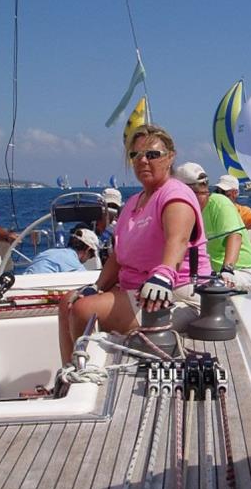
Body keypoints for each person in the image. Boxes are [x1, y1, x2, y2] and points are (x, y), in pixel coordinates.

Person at [57, 124, 212, 363]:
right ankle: (70, 372)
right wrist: (97, 286)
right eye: (135, 155)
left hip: (175, 293)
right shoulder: (132, 203)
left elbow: (178, 241)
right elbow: (119, 256)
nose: (143, 161)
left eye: (152, 154)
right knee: (68, 302)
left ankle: (82, 370)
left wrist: (164, 274)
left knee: (82, 311)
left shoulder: (176, 195)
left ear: (170, 157)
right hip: (134, 290)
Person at [177, 163, 251, 288]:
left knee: (215, 286)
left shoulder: (220, 203)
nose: (204, 196)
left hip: (238, 271)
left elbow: (235, 236)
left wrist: (227, 270)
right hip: (204, 273)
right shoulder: (179, 212)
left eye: (204, 190)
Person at [213, 174, 251, 259]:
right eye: (217, 191)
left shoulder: (242, 212)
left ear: (235, 193)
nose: (219, 196)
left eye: (223, 192)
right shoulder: (207, 208)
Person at [24, 225, 98, 274]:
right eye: (91, 256)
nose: (88, 259)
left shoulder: (47, 252)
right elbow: (87, 282)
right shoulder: (74, 264)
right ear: (88, 249)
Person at [98, 187, 122, 265]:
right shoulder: (89, 225)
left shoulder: (122, 230)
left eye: (114, 207)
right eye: (107, 206)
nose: (109, 210)